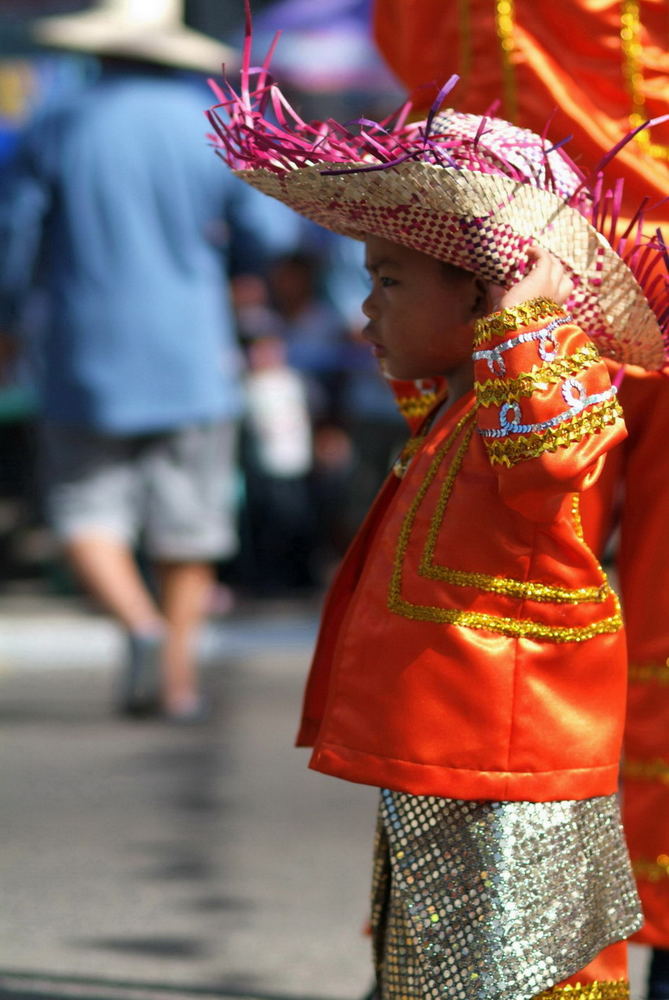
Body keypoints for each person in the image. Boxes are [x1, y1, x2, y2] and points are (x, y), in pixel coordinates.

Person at [206, 19, 669, 998]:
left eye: (389, 281)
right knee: (438, 967)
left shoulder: (541, 387)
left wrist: (526, 312)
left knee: (516, 973)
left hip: (510, 762)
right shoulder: (461, 400)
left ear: (486, 297)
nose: (364, 309)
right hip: (448, 754)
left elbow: (554, 454)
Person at [0, 0, 272, 721]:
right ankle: (176, 681)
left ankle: (139, 625)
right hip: (192, 348)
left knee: (83, 509)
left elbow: (14, 241)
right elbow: (265, 233)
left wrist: (9, 320)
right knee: (191, 526)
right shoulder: (208, 128)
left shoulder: (58, 123)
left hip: (83, 351)